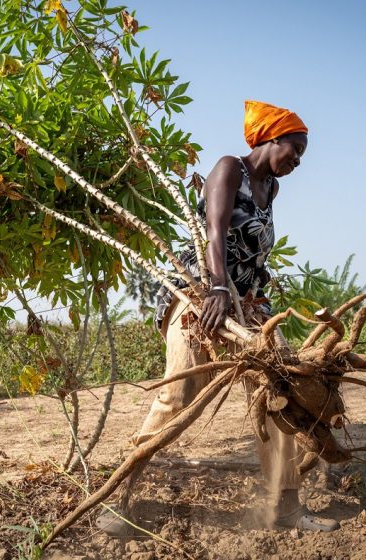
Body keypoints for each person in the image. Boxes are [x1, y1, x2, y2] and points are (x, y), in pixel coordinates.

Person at [97, 100, 339, 535]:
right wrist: (217, 289)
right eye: (295, 151)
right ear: (271, 137)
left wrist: (254, 303)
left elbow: (254, 257)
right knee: (176, 398)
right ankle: (120, 501)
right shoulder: (230, 168)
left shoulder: (272, 190)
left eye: (301, 156)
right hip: (202, 300)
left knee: (276, 394)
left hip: (246, 308)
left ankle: (285, 506)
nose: (297, 162)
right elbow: (215, 231)